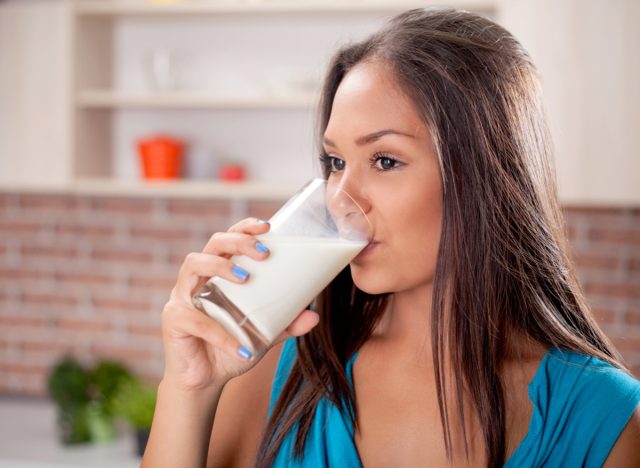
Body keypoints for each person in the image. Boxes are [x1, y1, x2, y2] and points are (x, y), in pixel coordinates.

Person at [141, 8, 640, 467]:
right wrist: (189, 388)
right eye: (336, 162)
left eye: (384, 161)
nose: (340, 198)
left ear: (484, 176)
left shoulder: (603, 419)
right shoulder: (279, 370)